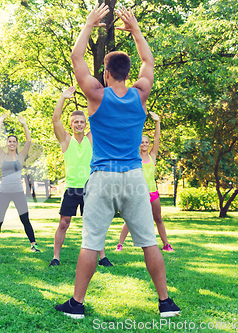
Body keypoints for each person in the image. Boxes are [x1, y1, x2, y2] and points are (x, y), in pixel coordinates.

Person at [55, 4, 180, 318]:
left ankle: (77, 305)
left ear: (107, 74)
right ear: (129, 73)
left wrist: (88, 24)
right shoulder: (140, 94)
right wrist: (135, 29)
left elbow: (77, 58)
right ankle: (166, 303)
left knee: (91, 242)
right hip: (135, 178)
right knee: (149, 242)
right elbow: (149, 62)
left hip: (102, 178)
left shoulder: (97, 94)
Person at [49, 86, 112, 267]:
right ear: (71, 124)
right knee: (63, 223)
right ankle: (56, 257)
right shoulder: (66, 140)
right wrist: (62, 97)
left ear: (86, 124)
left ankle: (102, 257)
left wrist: (101, 98)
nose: (79, 124)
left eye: (82, 122)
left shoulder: (90, 139)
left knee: (94, 223)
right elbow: (55, 120)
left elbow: (104, 121)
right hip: (71, 188)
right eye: (76, 122)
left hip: (90, 187)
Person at [116, 112, 174, 252]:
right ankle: (120, 244)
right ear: (138, 143)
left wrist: (157, 122)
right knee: (130, 219)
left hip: (152, 191)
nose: (145, 144)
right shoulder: (134, 156)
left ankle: (166, 245)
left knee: (158, 219)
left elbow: (157, 138)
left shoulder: (152, 155)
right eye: (142, 142)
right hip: (137, 191)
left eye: (146, 142)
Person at [0, 113, 40, 253]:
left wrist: (24, 124)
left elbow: (29, 140)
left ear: (16, 144)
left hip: (18, 192)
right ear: (7, 143)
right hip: (4, 192)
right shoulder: (2, 156)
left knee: (25, 219)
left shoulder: (21, 156)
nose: (12, 143)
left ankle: (33, 245)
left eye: (14, 141)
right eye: (9, 141)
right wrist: (0, 121)